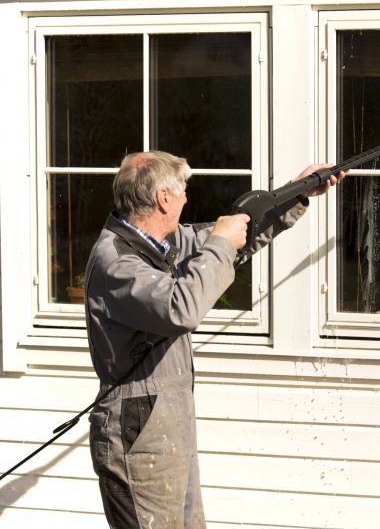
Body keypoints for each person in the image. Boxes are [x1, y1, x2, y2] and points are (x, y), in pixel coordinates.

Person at [84, 150, 343, 528]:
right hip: (138, 428)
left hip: (163, 420)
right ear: (164, 198)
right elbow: (181, 308)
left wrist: (298, 190)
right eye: (183, 189)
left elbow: (238, 234)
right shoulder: (117, 262)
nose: (186, 197)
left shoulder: (160, 244)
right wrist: (220, 244)